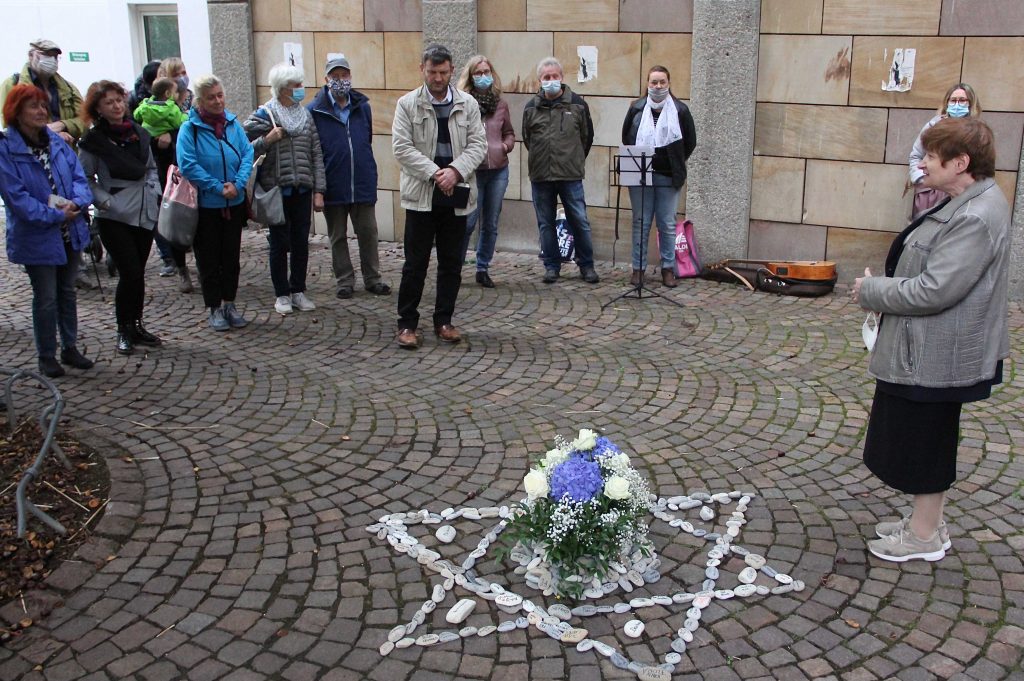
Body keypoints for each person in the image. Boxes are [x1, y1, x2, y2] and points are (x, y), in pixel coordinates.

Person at [853, 117, 1009, 563]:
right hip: (930, 348)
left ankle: (923, 536)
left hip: (938, 354)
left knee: (925, 439)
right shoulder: (968, 200)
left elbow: (936, 289)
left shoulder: (977, 215)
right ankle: (928, 524)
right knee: (926, 434)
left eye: (931, 158)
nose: (921, 164)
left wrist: (873, 290)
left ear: (961, 164)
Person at [392, 44, 486, 349]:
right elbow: (402, 148)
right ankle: (407, 324)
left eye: (443, 72)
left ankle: (444, 320)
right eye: (432, 72)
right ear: (423, 70)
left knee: (451, 263)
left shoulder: (468, 104)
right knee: (415, 263)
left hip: (456, 193)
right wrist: (436, 172)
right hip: (422, 194)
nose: (437, 78)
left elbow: (478, 145)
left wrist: (455, 172)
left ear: (451, 71)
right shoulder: (407, 104)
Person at [0, 84, 94, 377]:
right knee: (46, 296)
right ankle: (46, 354)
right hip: (37, 235)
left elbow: (79, 176)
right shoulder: (6, 149)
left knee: (67, 291)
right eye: (33, 106)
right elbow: (17, 198)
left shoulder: (54, 141)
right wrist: (55, 215)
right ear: (16, 112)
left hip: (70, 228)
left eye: (43, 106)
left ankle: (70, 346)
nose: (41, 112)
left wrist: (78, 203)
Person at [78, 80, 161, 356]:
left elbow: (150, 168)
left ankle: (136, 324)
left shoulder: (138, 133)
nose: (116, 106)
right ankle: (123, 328)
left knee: (138, 274)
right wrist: (106, 201)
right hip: (114, 215)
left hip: (143, 212)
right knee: (129, 272)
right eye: (109, 102)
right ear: (98, 109)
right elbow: (86, 178)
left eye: (118, 100)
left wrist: (153, 192)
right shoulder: (93, 141)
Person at [245, 63, 326, 315]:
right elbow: (244, 148)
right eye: (296, 86)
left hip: (302, 187)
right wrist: (267, 140)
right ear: (282, 89)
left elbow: (316, 154)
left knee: (301, 242)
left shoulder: (305, 116)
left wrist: (319, 190)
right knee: (279, 243)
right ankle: (281, 293)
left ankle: (298, 290)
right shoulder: (264, 114)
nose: (301, 89)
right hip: (276, 190)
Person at [309, 55, 391, 300]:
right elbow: (314, 152)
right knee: (337, 235)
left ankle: (373, 278)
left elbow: (366, 140)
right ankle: (344, 280)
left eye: (345, 75)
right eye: (335, 76)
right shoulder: (314, 111)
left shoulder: (362, 107)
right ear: (326, 80)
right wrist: (318, 189)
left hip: (362, 181)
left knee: (368, 231)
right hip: (333, 183)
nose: (341, 80)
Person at [176, 74, 254, 331]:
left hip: (234, 201)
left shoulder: (232, 123)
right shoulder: (190, 129)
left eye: (220, 95)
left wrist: (238, 183)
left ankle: (230, 303)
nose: (218, 101)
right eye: (211, 97)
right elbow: (188, 164)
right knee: (208, 259)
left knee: (230, 257)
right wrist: (218, 187)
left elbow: (247, 153)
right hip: (207, 204)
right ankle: (214, 307)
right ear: (200, 100)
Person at [522, 56, 599, 285]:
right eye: (546, 77)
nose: (551, 80)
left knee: (579, 220)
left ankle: (586, 265)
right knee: (545, 223)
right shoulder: (530, 108)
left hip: (570, 174)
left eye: (555, 76)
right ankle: (552, 266)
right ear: (540, 80)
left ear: (562, 77)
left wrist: (573, 159)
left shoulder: (577, 104)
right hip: (541, 174)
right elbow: (528, 138)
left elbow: (587, 137)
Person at [621, 65, 697, 289]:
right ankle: (638, 269)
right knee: (641, 221)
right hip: (641, 174)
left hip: (668, 174)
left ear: (669, 84)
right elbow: (627, 136)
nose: (658, 86)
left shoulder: (680, 110)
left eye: (662, 82)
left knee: (667, 223)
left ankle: (668, 268)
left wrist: (675, 160)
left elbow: (690, 142)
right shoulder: (636, 108)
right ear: (647, 84)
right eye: (654, 82)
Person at [457, 55, 515, 289]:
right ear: (471, 77)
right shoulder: (463, 102)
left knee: (490, 222)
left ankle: (483, 267)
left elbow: (509, 132)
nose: (483, 76)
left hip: (498, 170)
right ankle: (455, 266)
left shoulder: (500, 104)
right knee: (468, 222)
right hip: (473, 172)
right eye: (478, 73)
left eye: (487, 72)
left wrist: (505, 146)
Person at [136, 76, 193, 292]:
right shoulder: (173, 113)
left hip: (186, 174)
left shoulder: (152, 109)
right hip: (168, 176)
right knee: (176, 221)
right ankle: (180, 267)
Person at [907, 82, 981, 219]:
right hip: (931, 192)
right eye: (953, 100)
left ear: (970, 103)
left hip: (960, 193)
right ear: (947, 103)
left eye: (962, 100)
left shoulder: (976, 131)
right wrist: (921, 179)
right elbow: (916, 156)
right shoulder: (934, 126)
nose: (957, 104)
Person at [152, 57, 195, 280]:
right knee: (178, 215)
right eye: (177, 73)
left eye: (184, 71)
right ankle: (180, 266)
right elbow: (148, 133)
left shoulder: (192, 99)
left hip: (194, 165)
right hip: (170, 167)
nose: (182, 77)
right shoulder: (156, 104)